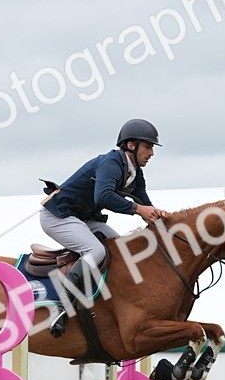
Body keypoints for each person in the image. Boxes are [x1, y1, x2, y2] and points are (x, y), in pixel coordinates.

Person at [39, 119, 168, 337]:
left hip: (81, 218)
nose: (152, 153)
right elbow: (104, 196)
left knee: (121, 249)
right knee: (96, 251)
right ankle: (60, 309)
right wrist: (139, 210)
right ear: (131, 145)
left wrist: (159, 217)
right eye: (148, 146)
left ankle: (112, 303)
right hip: (57, 216)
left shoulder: (134, 171)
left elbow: (144, 203)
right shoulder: (111, 163)